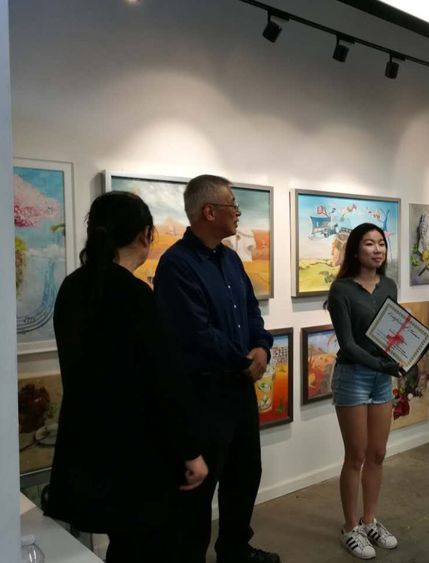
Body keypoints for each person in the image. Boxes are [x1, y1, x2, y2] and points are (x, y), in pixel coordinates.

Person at [46, 191, 208, 563]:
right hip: (138, 455)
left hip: (88, 445)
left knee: (125, 545)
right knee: (149, 547)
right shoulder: (134, 295)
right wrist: (190, 451)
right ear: (144, 235)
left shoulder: (73, 288)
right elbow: (162, 383)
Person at [153, 175, 279, 563]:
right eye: (232, 205)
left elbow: (252, 311)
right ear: (209, 212)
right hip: (203, 396)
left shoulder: (230, 258)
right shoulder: (177, 265)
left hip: (238, 390)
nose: (238, 212)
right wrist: (245, 361)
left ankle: (234, 550)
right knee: (198, 492)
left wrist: (262, 347)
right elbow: (195, 333)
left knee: (245, 475)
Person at [326, 222, 401, 560]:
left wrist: (402, 356)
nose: (377, 249)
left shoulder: (389, 285)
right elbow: (348, 345)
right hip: (353, 377)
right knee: (355, 455)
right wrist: (384, 365)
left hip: (380, 378)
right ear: (355, 250)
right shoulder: (341, 289)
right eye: (369, 243)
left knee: (378, 453)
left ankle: (369, 520)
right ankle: (350, 527)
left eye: (381, 243)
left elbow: (393, 333)